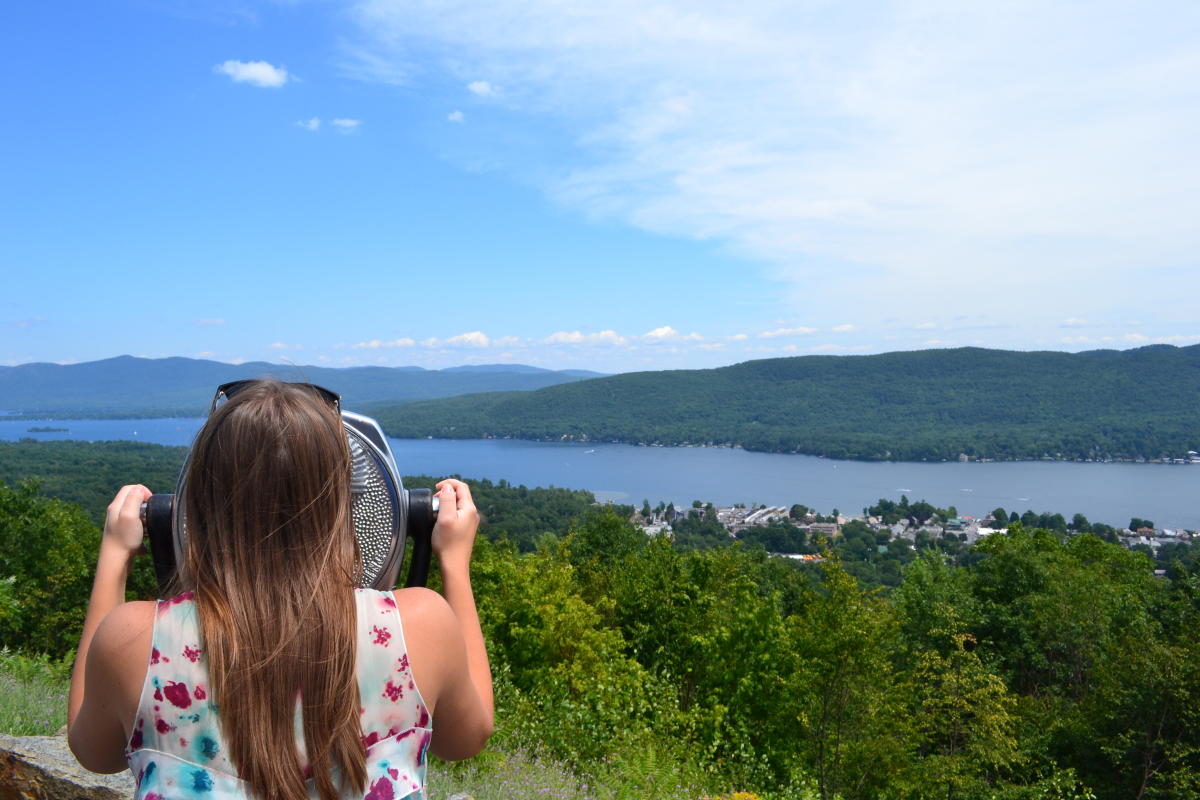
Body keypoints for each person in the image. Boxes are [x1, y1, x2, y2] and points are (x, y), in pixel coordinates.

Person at [66, 381, 493, 800]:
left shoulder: (133, 639)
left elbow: (94, 751)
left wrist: (114, 557)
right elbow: (465, 739)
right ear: (343, 503)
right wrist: (454, 566)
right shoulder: (421, 624)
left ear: (191, 507)